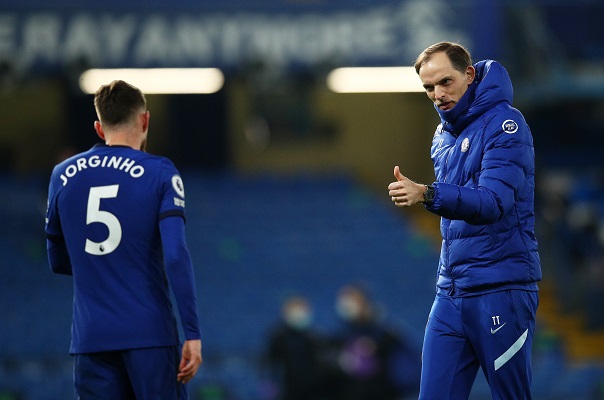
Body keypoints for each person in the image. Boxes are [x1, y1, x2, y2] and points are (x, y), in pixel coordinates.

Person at [387, 42, 542, 399]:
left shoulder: (507, 125)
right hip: (452, 291)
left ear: (469, 75)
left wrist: (428, 193)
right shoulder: (442, 136)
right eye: (428, 88)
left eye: (445, 82)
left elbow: (493, 202)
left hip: (500, 287)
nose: (438, 95)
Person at [45, 80, 202, 399]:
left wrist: (104, 268)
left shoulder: (62, 174)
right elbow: (175, 256)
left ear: (98, 128)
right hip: (149, 334)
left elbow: (58, 261)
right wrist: (193, 333)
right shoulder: (160, 172)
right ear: (145, 120)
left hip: (90, 338)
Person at [330, 284, 419, 400]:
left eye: (352, 301)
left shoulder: (385, 335)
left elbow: (409, 371)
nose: (346, 305)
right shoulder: (340, 336)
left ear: (364, 303)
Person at [266, 295, 330, 400]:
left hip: (312, 391)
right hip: (288, 391)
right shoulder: (279, 337)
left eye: (303, 310)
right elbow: (271, 364)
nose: (300, 315)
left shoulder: (314, 338)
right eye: (296, 311)